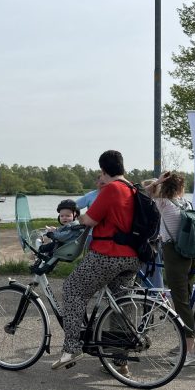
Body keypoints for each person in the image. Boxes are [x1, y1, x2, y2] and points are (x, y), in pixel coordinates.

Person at [51, 150, 140, 370]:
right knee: (120, 304)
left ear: (103, 169)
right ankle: (120, 361)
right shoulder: (132, 188)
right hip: (132, 255)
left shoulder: (111, 189)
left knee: (73, 290)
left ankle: (72, 348)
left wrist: (78, 219)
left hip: (107, 254)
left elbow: (89, 219)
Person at [145, 171, 195, 366]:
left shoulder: (164, 204)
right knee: (185, 300)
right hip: (189, 255)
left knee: (180, 303)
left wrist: (157, 182)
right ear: (180, 187)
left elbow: (142, 193)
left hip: (174, 255)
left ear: (165, 186)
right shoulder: (186, 204)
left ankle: (190, 353)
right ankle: (191, 343)